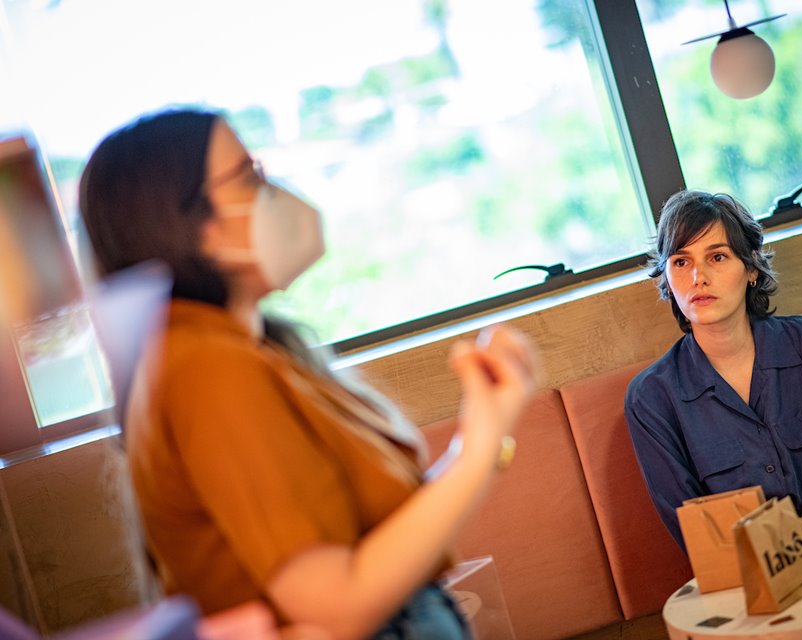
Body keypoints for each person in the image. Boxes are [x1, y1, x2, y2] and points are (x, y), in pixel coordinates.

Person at [78, 107, 540, 639]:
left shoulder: (245, 350)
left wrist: (483, 436)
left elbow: (378, 547)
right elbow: (335, 605)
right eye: (249, 176)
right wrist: (480, 446)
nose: (275, 192)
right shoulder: (204, 368)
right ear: (193, 227)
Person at [624, 190, 802, 549]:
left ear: (752, 268)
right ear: (666, 279)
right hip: (749, 581)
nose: (698, 276)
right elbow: (697, 533)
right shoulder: (650, 399)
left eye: (718, 257)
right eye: (681, 262)